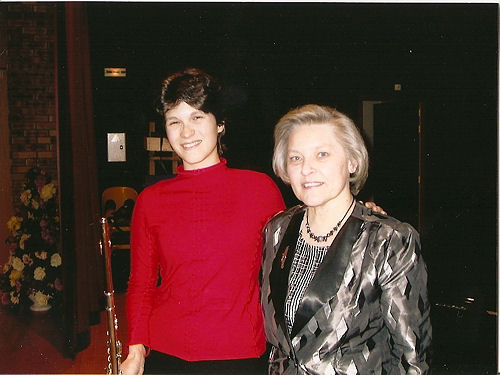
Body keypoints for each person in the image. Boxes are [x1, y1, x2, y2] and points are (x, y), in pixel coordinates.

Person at [120, 68, 286, 375]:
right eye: (175, 122)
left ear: (220, 123)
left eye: (197, 117)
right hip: (168, 352)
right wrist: (135, 349)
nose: (186, 133)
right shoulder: (150, 200)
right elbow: (141, 283)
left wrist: (360, 220)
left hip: (240, 352)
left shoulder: (259, 189)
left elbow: (297, 255)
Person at [260, 104, 431, 374]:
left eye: (322, 154)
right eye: (296, 158)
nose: (307, 169)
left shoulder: (388, 240)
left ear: (352, 162)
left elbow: (411, 357)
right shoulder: (277, 229)